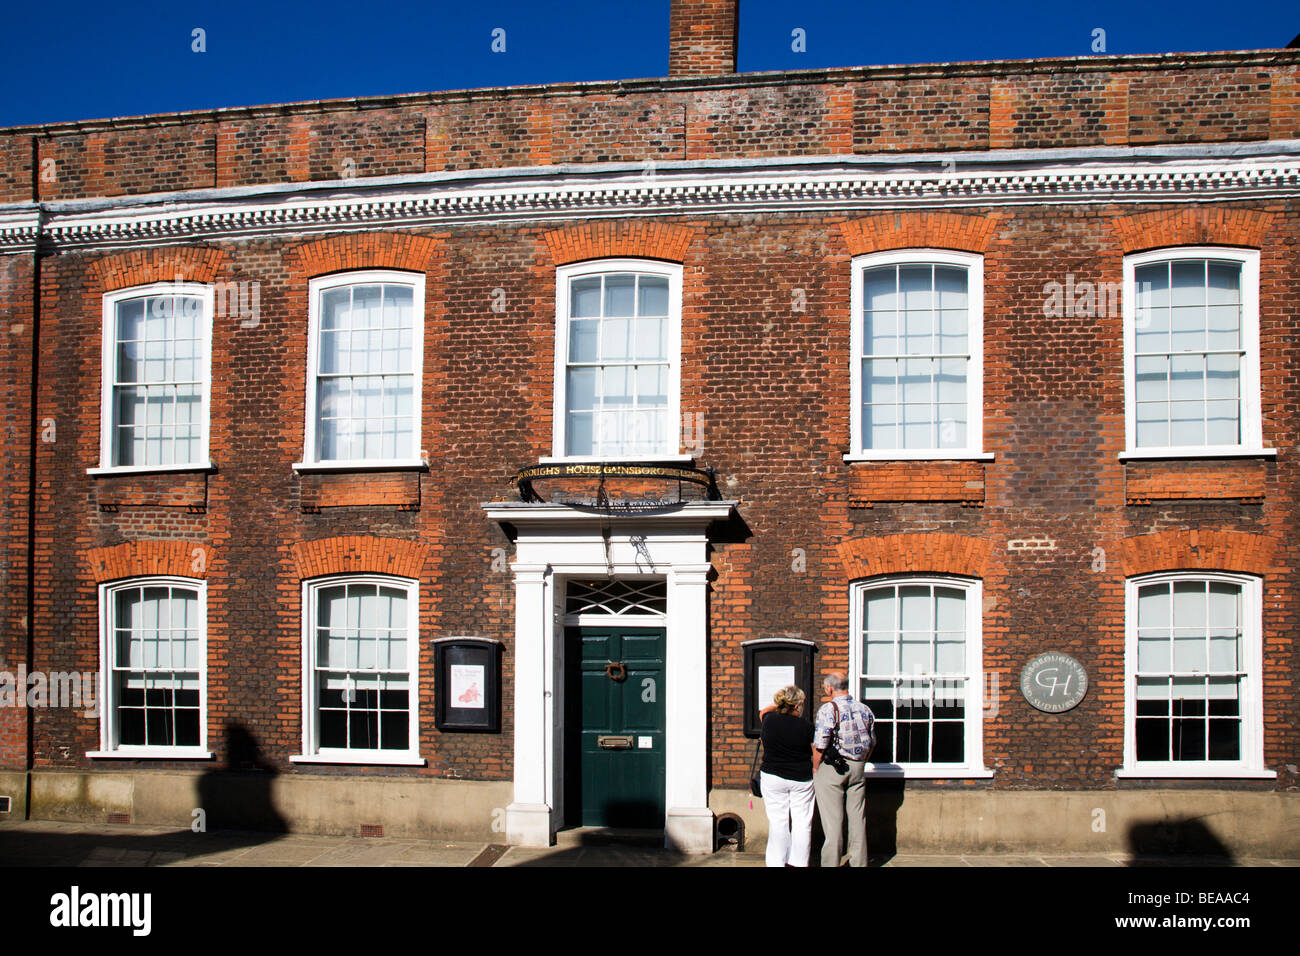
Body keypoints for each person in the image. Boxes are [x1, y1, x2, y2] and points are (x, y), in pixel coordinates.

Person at [812, 671, 875, 867]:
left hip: (833, 769)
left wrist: (816, 768)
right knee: (858, 820)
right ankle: (859, 862)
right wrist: (861, 762)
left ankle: (831, 863)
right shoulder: (865, 709)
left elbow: (820, 744)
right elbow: (871, 742)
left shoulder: (828, 709)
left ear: (830, 688)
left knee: (833, 822)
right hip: (858, 766)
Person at [758, 685, 815, 867]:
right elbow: (814, 751)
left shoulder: (768, 720)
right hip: (801, 777)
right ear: (797, 706)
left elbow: (765, 710)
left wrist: (781, 706)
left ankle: (776, 862)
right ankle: (798, 863)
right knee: (802, 822)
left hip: (773, 776)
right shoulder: (807, 726)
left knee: (778, 821)